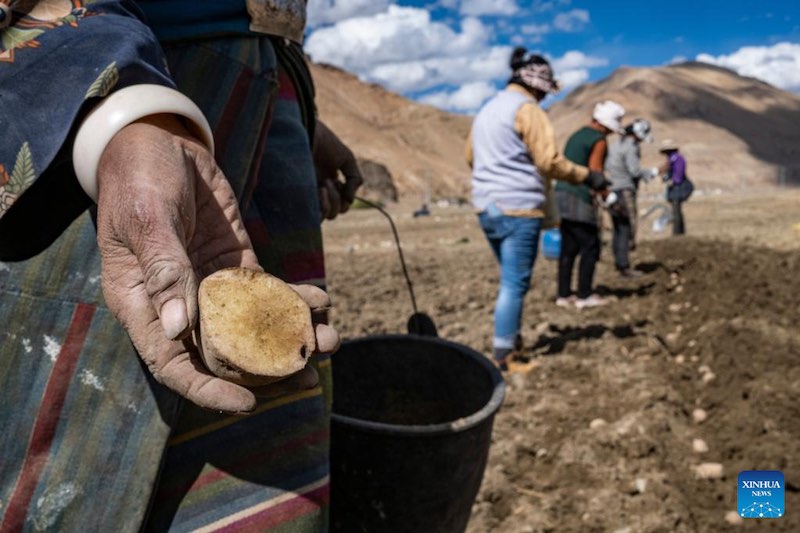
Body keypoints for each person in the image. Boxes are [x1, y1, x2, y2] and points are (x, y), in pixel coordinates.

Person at [0, 1, 362, 530]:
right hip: (87, 86)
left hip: (255, 88)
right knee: (77, 471)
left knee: (274, 490)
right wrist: (125, 111)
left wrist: (292, 105)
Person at [466, 46, 609, 370]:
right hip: (519, 206)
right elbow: (548, 160)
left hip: (486, 205)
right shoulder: (527, 109)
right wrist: (588, 176)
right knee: (515, 284)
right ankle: (504, 355)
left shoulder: (488, 109)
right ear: (537, 85)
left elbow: (471, 157)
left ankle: (511, 342)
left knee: (509, 279)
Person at [554, 100, 625, 308]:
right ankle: (585, 295)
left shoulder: (577, 135)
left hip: (561, 194)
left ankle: (564, 294)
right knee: (590, 246)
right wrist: (607, 196)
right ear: (606, 125)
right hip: (579, 197)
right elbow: (595, 173)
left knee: (568, 248)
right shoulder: (599, 140)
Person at [605, 118, 658, 277]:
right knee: (626, 227)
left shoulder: (616, 144)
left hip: (612, 190)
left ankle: (619, 262)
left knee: (617, 226)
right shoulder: (630, 147)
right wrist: (651, 172)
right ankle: (624, 266)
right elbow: (634, 171)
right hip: (625, 190)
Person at [659, 139, 690, 235]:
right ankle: (679, 232)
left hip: (678, 187)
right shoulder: (671, 159)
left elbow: (679, 173)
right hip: (674, 187)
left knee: (676, 210)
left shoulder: (677, 159)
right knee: (676, 210)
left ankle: (677, 232)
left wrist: (673, 181)